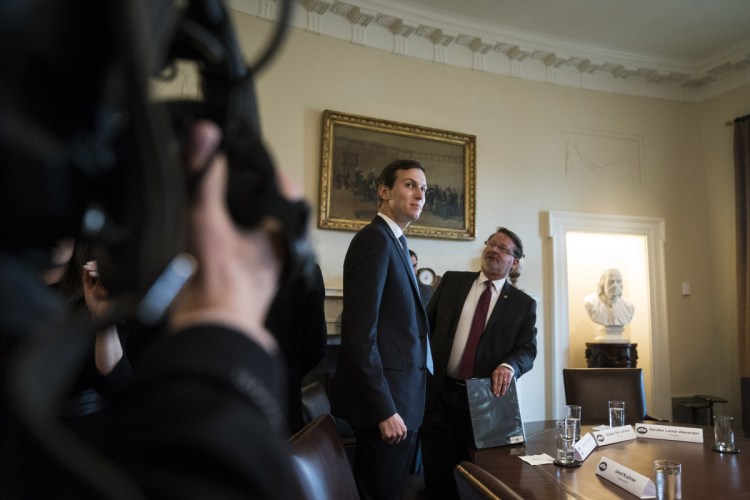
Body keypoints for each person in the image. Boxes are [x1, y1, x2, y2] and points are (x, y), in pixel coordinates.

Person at [331, 159, 432, 500]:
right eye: (409, 185)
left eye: (424, 188)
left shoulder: (397, 242)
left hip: (404, 401)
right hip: (386, 410)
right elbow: (360, 336)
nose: (419, 194)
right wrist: (384, 410)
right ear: (384, 191)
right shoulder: (373, 240)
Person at [420, 227, 537, 500]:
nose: (494, 250)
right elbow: (425, 327)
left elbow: (527, 350)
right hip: (439, 392)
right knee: (437, 472)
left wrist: (509, 366)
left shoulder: (523, 304)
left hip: (484, 401)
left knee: (476, 475)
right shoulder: (452, 282)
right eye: (491, 244)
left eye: (503, 248)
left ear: (515, 262)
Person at [265, 262, 328, 435]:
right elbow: (316, 346)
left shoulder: (234, 257)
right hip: (287, 395)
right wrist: (290, 371)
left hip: (234, 395)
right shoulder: (308, 269)